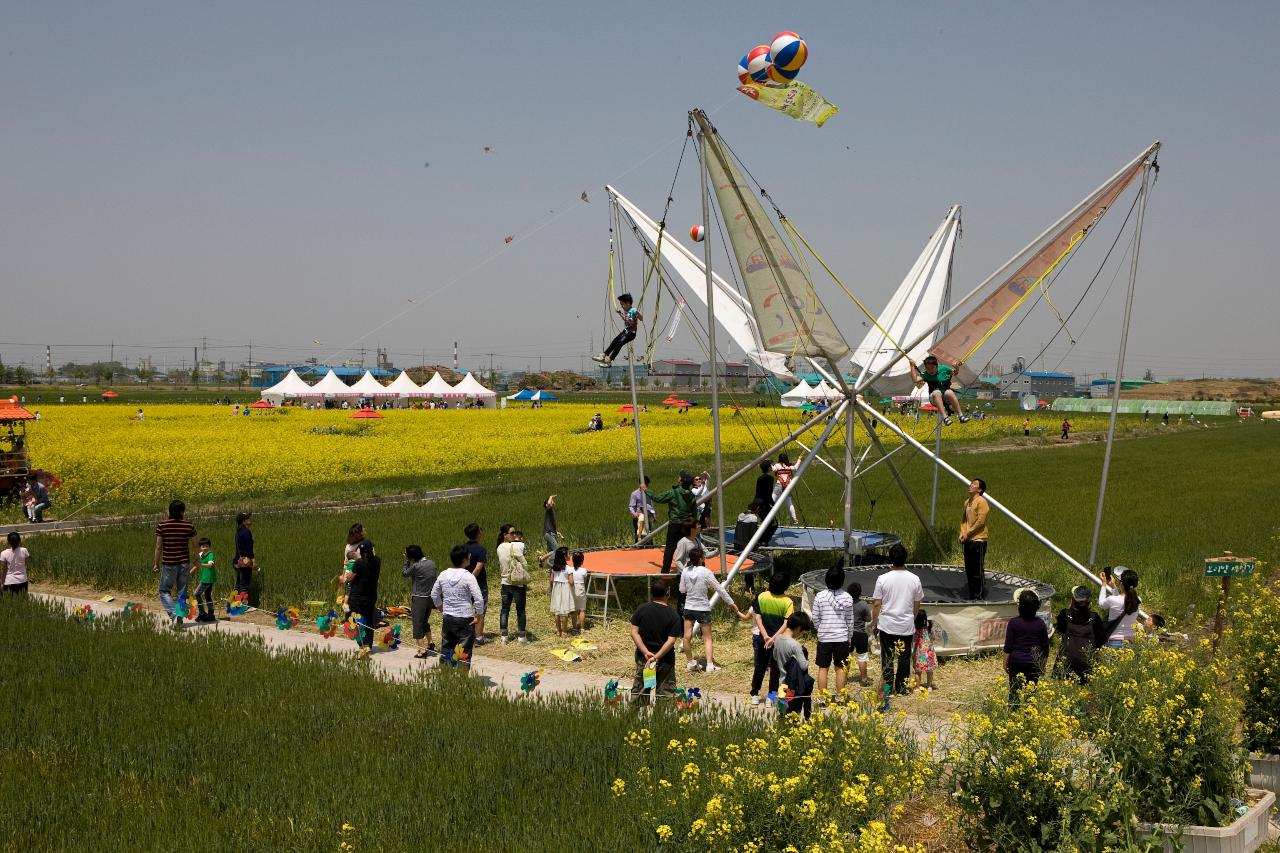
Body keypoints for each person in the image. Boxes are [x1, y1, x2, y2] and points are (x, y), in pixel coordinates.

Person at [678, 548, 743, 672]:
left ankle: (691, 662)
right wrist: (731, 603)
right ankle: (709, 665)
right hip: (702, 607)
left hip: (689, 607)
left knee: (687, 637)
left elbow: (682, 590)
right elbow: (719, 589)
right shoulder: (706, 572)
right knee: (707, 638)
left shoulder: (685, 571)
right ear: (702, 558)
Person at [872, 543, 923, 695]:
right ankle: (901, 688)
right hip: (906, 626)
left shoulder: (882, 578)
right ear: (905, 558)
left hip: (887, 625)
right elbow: (917, 603)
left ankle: (887, 690)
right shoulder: (915, 579)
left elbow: (877, 604)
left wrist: (874, 623)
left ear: (890, 558)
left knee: (887, 660)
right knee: (904, 659)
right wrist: (911, 618)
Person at [629, 578, 683, 705]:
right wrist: (656, 657)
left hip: (644, 660)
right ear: (668, 593)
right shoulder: (673, 615)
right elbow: (670, 641)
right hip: (665, 661)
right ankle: (659, 723)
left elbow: (634, 632)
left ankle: (632, 722)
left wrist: (646, 652)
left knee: (640, 694)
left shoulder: (641, 609)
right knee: (665, 697)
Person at [431, 544, 485, 670]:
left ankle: (445, 678)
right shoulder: (468, 576)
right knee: (464, 652)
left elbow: (434, 594)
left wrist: (441, 608)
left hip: (448, 617)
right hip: (465, 618)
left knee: (447, 649)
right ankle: (461, 681)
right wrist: (479, 616)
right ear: (465, 559)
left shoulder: (443, 574)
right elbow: (479, 598)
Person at [744, 572, 793, 704]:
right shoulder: (788, 601)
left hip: (762, 639)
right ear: (786, 586)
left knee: (760, 666)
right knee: (776, 669)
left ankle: (755, 694)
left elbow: (758, 617)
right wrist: (773, 638)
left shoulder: (761, 596)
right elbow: (786, 623)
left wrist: (765, 636)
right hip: (778, 641)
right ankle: (771, 698)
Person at [812, 564, 856, 699]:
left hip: (824, 637)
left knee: (823, 668)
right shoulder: (848, 597)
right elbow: (850, 620)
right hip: (841, 637)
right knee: (840, 668)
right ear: (842, 581)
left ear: (826, 579)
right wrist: (849, 636)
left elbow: (815, 617)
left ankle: (822, 698)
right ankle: (841, 697)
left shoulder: (820, 596)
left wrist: (820, 629)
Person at [154, 499, 196, 630]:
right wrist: (198, 561)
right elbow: (196, 545)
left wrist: (156, 563)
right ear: (182, 511)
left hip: (169, 563)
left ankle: (173, 614)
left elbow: (158, 547)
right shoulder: (189, 526)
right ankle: (179, 617)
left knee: (164, 591)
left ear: (170, 511)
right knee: (182, 591)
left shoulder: (162, 525)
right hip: (184, 563)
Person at [1004, 589, 1049, 700]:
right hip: (1033, 662)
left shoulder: (1013, 622)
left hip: (1016, 662)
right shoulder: (1040, 623)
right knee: (1031, 695)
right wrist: (1042, 665)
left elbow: (1008, 647)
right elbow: (1045, 647)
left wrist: (1005, 663)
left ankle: (1013, 715)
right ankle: (1029, 716)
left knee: (1014, 693)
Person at [1054, 585, 1105, 683]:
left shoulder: (1065, 614)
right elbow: (1101, 640)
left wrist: (1070, 609)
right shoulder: (1094, 618)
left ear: (1073, 600)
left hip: (1066, 661)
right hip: (1087, 661)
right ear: (1089, 602)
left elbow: (1060, 629)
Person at [650, 472, 697, 574]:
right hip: (687, 525)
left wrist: (646, 490)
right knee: (688, 547)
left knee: (670, 548)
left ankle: (665, 571)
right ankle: (691, 568)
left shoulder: (673, 492)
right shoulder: (692, 495)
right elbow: (694, 513)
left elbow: (658, 498)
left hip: (675, 524)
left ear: (681, 481)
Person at [771, 612, 816, 719]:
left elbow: (775, 657)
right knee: (793, 715)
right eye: (802, 632)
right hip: (793, 686)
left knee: (782, 713)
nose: (800, 634)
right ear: (798, 628)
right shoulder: (795, 645)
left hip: (781, 684)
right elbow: (804, 666)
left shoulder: (777, 639)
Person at [342, 540, 381, 658]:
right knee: (369, 621)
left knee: (353, 620)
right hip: (371, 596)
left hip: (357, 597)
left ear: (361, 551)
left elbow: (349, 578)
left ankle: (362, 646)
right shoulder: (378, 561)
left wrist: (346, 566)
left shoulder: (359, 563)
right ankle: (368, 645)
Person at [909, 355, 969, 426]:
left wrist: (957, 368)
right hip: (934, 398)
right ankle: (945, 418)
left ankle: (961, 416)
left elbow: (954, 373)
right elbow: (915, 380)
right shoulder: (925, 374)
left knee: (950, 392)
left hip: (945, 396)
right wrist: (912, 366)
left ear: (936, 366)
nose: (930, 370)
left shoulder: (944, 369)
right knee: (937, 392)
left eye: (932, 368)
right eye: (927, 368)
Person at [403, 544, 438, 658]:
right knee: (424, 621)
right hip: (430, 598)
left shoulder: (416, 566)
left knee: (417, 624)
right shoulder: (432, 563)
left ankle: (422, 650)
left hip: (419, 598)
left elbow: (405, 573)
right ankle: (431, 643)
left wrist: (406, 561)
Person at [496, 527, 529, 644]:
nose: (514, 535)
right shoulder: (515, 546)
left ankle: (504, 636)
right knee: (520, 610)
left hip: (505, 582)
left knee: (505, 609)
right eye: (512, 533)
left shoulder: (499, 547)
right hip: (517, 583)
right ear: (505, 535)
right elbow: (524, 561)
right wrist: (525, 569)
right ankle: (521, 637)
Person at [1098, 566, 1143, 648]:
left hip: (1113, 641)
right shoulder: (1138, 600)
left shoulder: (1112, 599)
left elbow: (1101, 604)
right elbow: (1122, 601)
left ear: (1121, 584)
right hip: (1130, 643)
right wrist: (1114, 588)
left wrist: (1104, 584)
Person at [959, 478, 989, 599]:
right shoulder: (967, 502)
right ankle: (971, 594)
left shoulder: (981, 502)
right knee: (969, 569)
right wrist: (962, 532)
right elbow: (964, 520)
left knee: (977, 570)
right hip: (968, 539)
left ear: (980, 489)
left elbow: (980, 522)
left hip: (978, 540)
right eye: (971, 483)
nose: (971, 485)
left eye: (974, 484)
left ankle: (979, 596)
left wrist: (968, 533)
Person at [593, 292, 642, 366]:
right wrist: (620, 313)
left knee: (619, 343)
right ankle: (604, 355)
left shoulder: (633, 310)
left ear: (628, 303)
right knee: (615, 341)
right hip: (626, 331)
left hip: (631, 333)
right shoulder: (626, 311)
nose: (621, 306)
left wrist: (638, 314)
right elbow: (626, 320)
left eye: (622, 304)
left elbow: (641, 318)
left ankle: (609, 359)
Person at [462, 523, 490, 644]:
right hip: (479, 583)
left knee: (466, 610)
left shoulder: (462, 548)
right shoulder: (481, 549)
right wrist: (471, 580)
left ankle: (467, 636)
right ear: (478, 533)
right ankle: (478, 637)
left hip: (463, 583)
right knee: (480, 610)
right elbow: (479, 568)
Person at [848, 582, 873, 687]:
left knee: (847, 656)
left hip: (847, 633)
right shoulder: (863, 604)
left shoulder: (846, 603)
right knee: (862, 657)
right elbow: (868, 619)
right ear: (860, 593)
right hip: (860, 633)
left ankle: (843, 677)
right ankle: (863, 678)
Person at [548, 547, 575, 638]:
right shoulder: (569, 568)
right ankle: (564, 631)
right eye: (568, 553)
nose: (570, 555)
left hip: (556, 589)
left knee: (557, 612)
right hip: (565, 589)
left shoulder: (554, 568)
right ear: (564, 556)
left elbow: (551, 581)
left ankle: (558, 631)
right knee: (564, 612)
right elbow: (571, 582)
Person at [193, 537, 217, 623]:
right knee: (207, 596)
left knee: (197, 593)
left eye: (207, 546)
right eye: (203, 546)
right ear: (200, 547)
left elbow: (210, 565)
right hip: (206, 578)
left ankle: (202, 613)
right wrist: (190, 571)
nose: (205, 548)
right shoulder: (201, 555)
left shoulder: (210, 554)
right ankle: (210, 614)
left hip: (208, 579)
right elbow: (197, 564)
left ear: (209, 547)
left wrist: (200, 565)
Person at [233, 512, 256, 598]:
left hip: (237, 560)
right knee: (244, 584)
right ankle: (244, 605)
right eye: (248, 518)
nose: (250, 519)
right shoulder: (246, 532)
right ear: (243, 521)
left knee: (238, 583)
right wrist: (253, 561)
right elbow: (249, 549)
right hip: (245, 561)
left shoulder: (238, 531)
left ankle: (234, 603)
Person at [912, 610, 937, 690]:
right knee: (929, 670)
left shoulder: (916, 630)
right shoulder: (929, 629)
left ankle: (917, 687)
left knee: (918, 671)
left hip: (919, 652)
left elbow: (915, 642)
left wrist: (913, 653)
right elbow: (933, 638)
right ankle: (929, 686)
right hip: (929, 651)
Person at [771, 454, 798, 524]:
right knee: (789, 503)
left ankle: (769, 518)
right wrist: (799, 459)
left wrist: (769, 463)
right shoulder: (789, 466)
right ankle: (794, 519)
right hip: (788, 485)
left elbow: (773, 469)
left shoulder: (777, 465)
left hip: (779, 485)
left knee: (772, 501)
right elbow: (795, 467)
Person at [628, 476, 653, 542]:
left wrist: (653, 515)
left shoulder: (649, 493)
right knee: (639, 533)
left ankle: (649, 548)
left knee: (648, 533)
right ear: (641, 484)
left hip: (647, 517)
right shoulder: (634, 494)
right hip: (638, 517)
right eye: (646, 484)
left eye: (647, 485)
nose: (647, 486)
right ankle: (638, 548)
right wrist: (634, 513)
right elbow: (631, 506)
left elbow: (650, 505)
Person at [571, 550, 589, 634]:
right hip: (581, 589)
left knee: (574, 610)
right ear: (582, 561)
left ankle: (574, 628)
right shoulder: (584, 570)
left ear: (573, 560)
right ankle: (582, 628)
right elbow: (585, 582)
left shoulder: (570, 570)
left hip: (573, 590)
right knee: (582, 610)